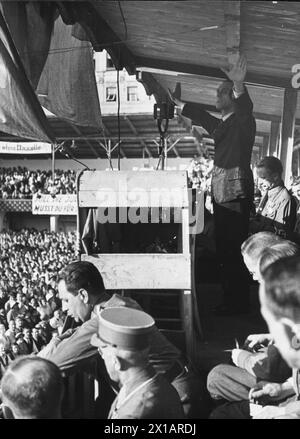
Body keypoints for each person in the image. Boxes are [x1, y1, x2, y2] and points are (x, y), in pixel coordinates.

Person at [39, 261, 209, 419]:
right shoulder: (117, 304)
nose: (64, 308)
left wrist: (54, 344)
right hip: (176, 385)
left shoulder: (105, 319)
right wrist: (58, 339)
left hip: (174, 398)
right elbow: (79, 330)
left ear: (83, 295)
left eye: (66, 300)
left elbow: (56, 364)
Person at [169, 55, 256, 315]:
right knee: (226, 251)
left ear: (232, 96)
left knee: (234, 250)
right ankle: (232, 301)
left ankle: (238, 305)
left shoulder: (243, 121)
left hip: (233, 193)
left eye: (221, 93)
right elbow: (205, 119)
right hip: (223, 193)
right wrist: (180, 105)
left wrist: (239, 85)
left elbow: (245, 107)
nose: (216, 97)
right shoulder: (224, 125)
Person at [91, 306, 185, 419]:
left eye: (102, 353)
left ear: (116, 362)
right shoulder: (154, 386)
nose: (102, 358)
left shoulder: (135, 413)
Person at [250, 156, 297, 239]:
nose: (259, 183)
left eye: (263, 178)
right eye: (258, 179)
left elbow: (281, 234)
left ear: (275, 176)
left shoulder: (284, 199)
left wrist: (254, 225)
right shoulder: (268, 192)